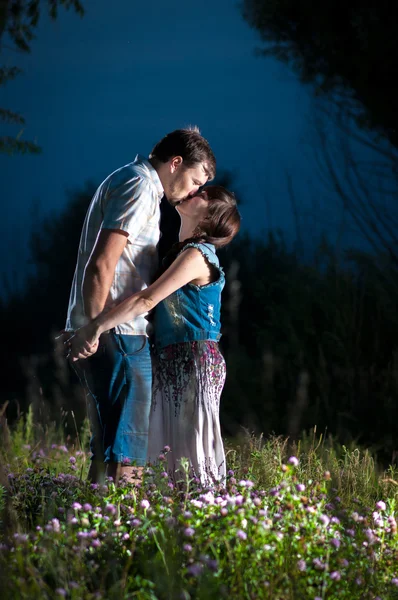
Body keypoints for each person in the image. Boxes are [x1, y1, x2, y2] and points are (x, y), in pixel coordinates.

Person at [63, 127, 216, 484]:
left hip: (105, 328)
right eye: (194, 179)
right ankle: (124, 533)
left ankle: (93, 531)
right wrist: (93, 328)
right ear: (175, 163)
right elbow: (103, 261)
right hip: (119, 333)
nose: (194, 190)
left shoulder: (124, 179)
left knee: (108, 445)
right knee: (129, 449)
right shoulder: (141, 186)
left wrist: (86, 325)